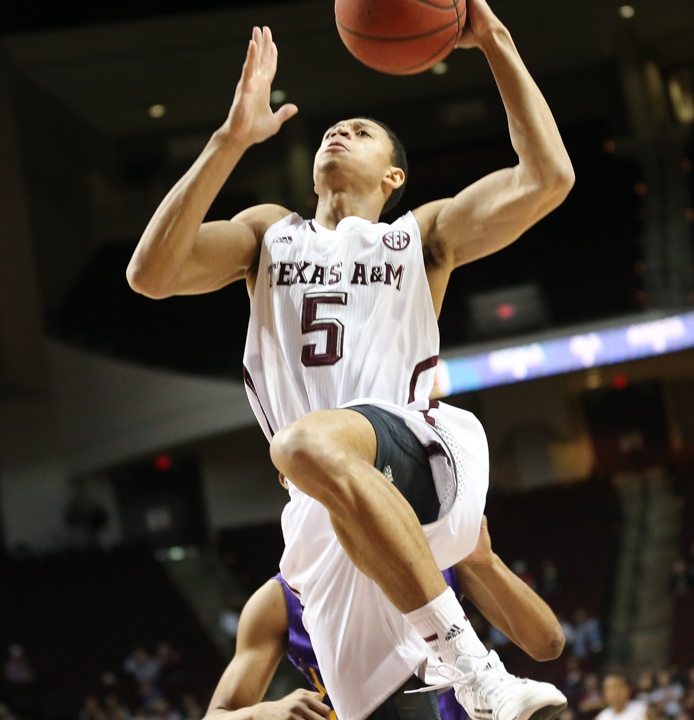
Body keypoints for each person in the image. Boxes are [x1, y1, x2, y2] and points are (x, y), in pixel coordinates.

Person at [126, 0, 575, 718]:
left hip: (420, 452)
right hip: (320, 506)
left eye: (361, 131)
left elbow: (548, 178)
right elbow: (150, 276)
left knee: (302, 440)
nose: (339, 131)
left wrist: (494, 40)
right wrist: (229, 140)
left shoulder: (419, 236)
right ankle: (481, 682)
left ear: (393, 176)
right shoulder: (267, 234)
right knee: (374, 708)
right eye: (332, 129)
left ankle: (478, 668)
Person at [204, 517, 565, 720]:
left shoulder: (436, 554)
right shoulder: (277, 600)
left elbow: (547, 643)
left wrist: (486, 562)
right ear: (290, 480)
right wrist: (260, 714)